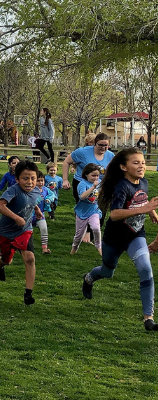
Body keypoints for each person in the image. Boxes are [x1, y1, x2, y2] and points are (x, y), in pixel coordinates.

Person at [81, 148, 158, 331]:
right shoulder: (121, 187)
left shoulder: (144, 182)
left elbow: (142, 201)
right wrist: (144, 209)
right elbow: (115, 214)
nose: (141, 166)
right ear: (123, 167)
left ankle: (148, 318)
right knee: (108, 272)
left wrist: (152, 212)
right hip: (114, 239)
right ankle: (89, 278)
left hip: (136, 235)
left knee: (146, 269)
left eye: (143, 162)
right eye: (136, 162)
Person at [0, 160, 42, 305]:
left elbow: (33, 202)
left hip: (25, 230)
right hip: (6, 231)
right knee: (7, 260)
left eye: (33, 178)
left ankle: (28, 293)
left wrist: (37, 210)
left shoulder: (36, 190)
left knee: (29, 258)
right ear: (17, 179)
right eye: (25, 178)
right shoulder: (13, 190)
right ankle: (0, 264)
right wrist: (15, 217)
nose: (29, 182)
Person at [61, 133, 115, 202]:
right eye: (100, 145)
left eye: (106, 145)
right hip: (82, 183)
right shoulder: (82, 152)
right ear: (95, 143)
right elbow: (66, 162)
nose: (103, 147)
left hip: (100, 185)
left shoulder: (110, 156)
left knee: (99, 209)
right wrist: (65, 180)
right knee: (84, 207)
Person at [71, 164, 103, 255]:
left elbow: (102, 193)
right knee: (79, 235)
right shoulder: (82, 184)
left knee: (96, 228)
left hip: (94, 210)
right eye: (93, 175)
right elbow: (82, 196)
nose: (96, 178)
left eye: (97, 175)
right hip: (82, 211)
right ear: (86, 175)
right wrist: (93, 187)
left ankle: (99, 247)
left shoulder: (99, 182)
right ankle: (74, 248)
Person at [33, 171, 55, 254]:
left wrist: (48, 199)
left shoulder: (46, 189)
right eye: (38, 181)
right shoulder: (31, 191)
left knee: (44, 229)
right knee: (25, 232)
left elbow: (52, 195)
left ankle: (44, 248)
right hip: (28, 215)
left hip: (41, 214)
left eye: (42, 180)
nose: (40, 183)